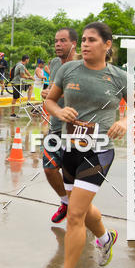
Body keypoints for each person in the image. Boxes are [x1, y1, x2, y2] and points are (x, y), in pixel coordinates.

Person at [43, 22, 126, 268]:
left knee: (75, 214)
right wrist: (59, 111)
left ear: (107, 45)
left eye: (92, 40)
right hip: (70, 148)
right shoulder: (68, 70)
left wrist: (125, 121)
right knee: (83, 206)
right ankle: (105, 238)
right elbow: (50, 101)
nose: (86, 45)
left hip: (99, 151)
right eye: (85, 40)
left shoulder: (119, 77)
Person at [41, 27, 78, 224]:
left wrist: (57, 94)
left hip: (77, 129)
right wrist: (46, 93)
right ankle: (65, 202)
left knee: (74, 176)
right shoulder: (54, 63)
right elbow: (51, 88)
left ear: (74, 44)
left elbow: (85, 94)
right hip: (55, 126)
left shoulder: (82, 65)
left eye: (63, 41)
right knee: (49, 168)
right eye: (56, 41)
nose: (58, 44)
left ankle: (81, 213)